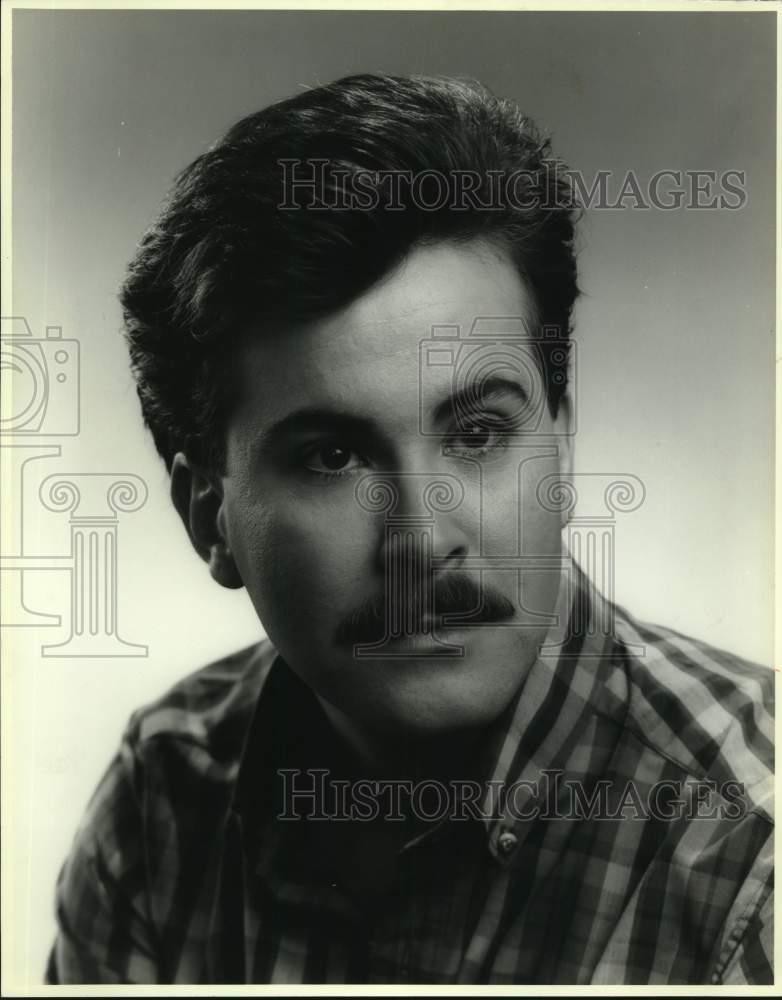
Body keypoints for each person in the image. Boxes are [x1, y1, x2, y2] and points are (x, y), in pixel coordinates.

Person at [46, 73, 773, 985]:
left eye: (477, 433)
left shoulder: (759, 855)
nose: (424, 542)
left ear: (562, 434)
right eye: (332, 458)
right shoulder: (162, 802)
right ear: (212, 520)